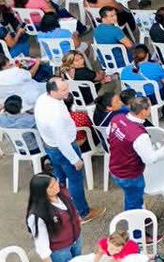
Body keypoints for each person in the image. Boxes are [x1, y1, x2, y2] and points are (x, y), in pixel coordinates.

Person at [35, 79, 103, 224]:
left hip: (50, 145)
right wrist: (75, 160)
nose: (68, 92)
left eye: (67, 88)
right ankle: (83, 213)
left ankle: (62, 207)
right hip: (63, 147)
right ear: (53, 91)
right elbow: (62, 141)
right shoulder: (54, 116)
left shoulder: (43, 99)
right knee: (75, 180)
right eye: (64, 90)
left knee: (60, 178)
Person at [106, 95, 164, 211]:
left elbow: (109, 135)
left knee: (130, 196)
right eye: (149, 108)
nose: (150, 110)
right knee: (134, 203)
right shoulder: (140, 135)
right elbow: (150, 159)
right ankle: (136, 226)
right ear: (143, 112)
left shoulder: (117, 118)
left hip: (114, 167)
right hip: (130, 174)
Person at [25, 173, 85, 262]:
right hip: (60, 250)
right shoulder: (37, 214)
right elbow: (41, 240)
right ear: (41, 191)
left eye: (55, 182)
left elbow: (72, 207)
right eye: (51, 186)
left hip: (76, 240)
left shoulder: (62, 192)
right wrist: (47, 259)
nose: (56, 186)